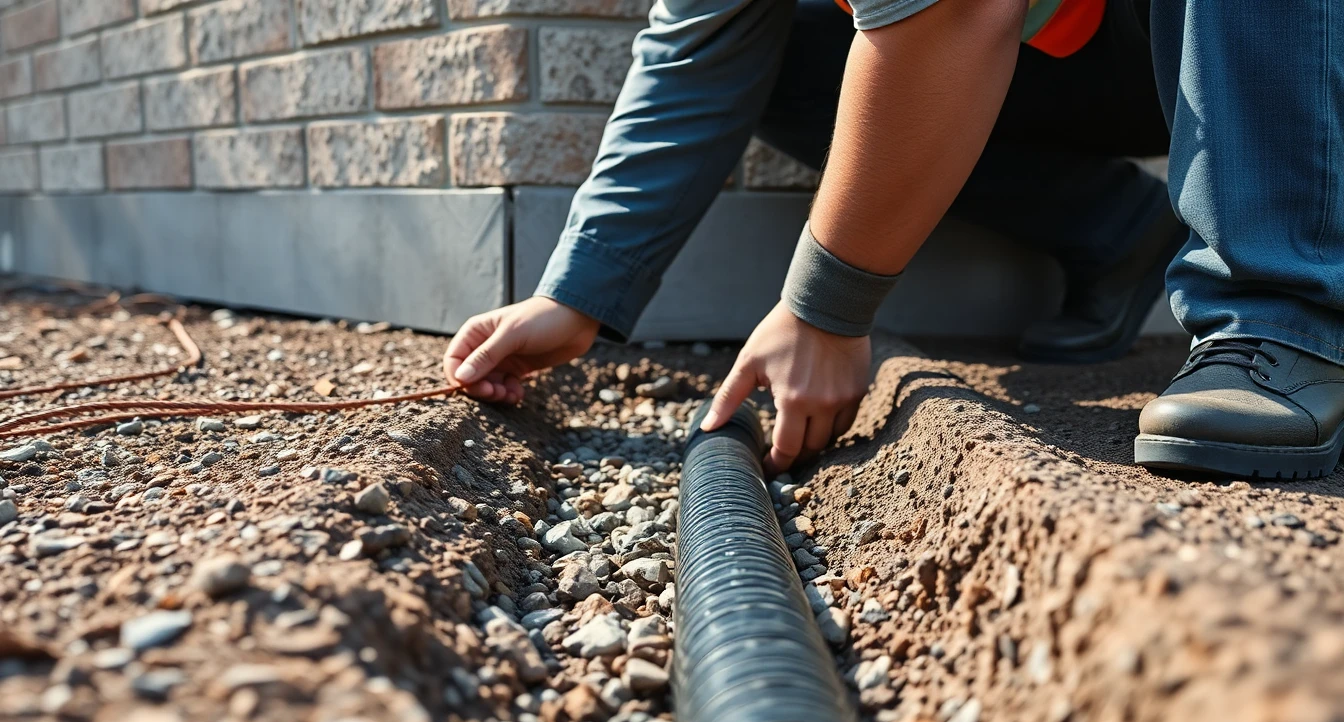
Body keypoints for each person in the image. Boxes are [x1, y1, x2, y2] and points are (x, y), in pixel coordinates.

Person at [444, 0, 1344, 480]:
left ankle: (1280, 311)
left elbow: (956, 9)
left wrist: (824, 309)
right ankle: (1112, 224)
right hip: (1095, 53)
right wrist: (577, 296)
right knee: (796, 54)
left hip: (1252, 35)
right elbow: (693, 50)